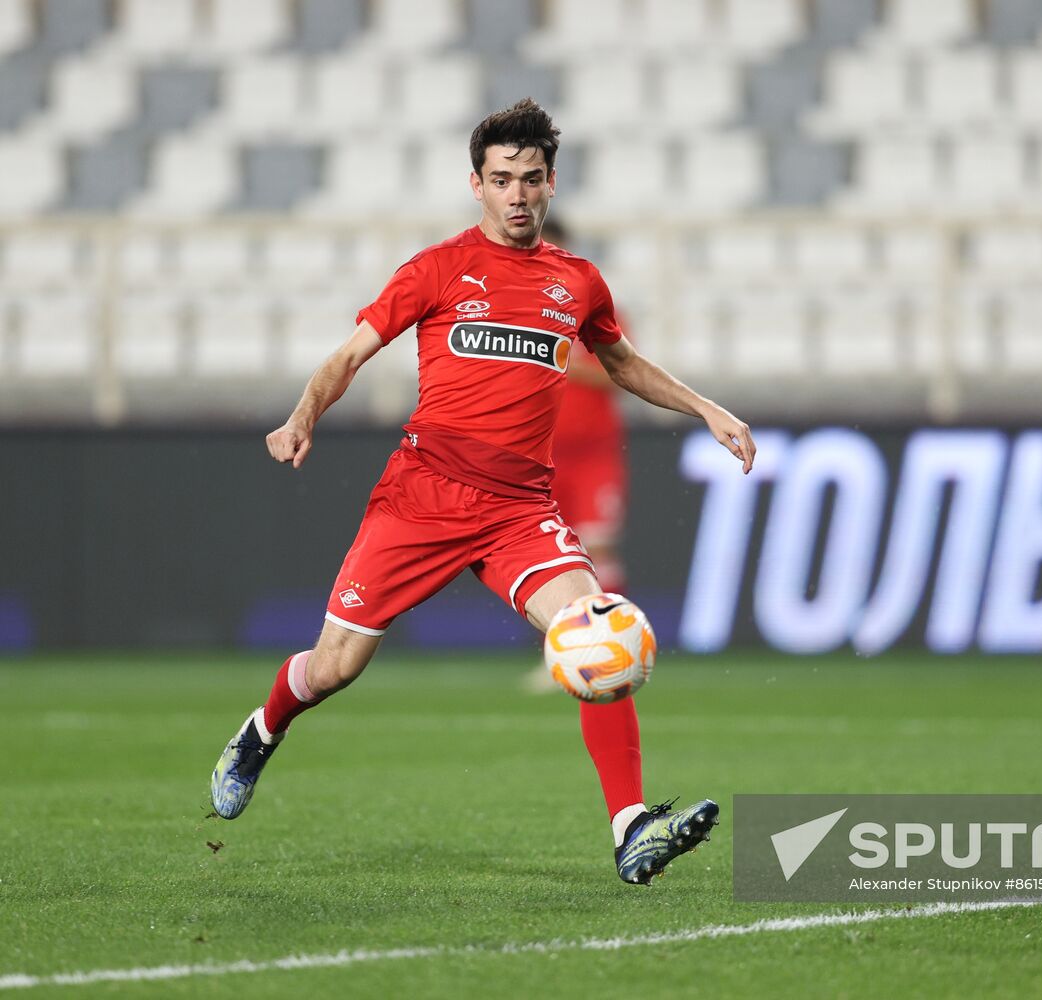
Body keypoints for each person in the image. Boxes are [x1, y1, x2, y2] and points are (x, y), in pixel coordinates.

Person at [209, 99, 756, 886]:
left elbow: (625, 364)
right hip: (421, 498)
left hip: (518, 512)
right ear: (477, 184)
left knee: (591, 634)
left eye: (531, 179)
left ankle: (631, 827)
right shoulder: (435, 270)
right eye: (502, 180)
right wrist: (301, 418)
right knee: (332, 669)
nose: (518, 195)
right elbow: (350, 354)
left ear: (551, 183)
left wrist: (707, 408)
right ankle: (262, 731)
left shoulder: (577, 282)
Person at [523, 217, 629, 694]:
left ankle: (611, 650)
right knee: (550, 561)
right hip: (537, 455)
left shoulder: (594, 307)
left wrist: (565, 359)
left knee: (597, 548)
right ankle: (563, 656)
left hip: (592, 453)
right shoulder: (514, 315)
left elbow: (622, 374)